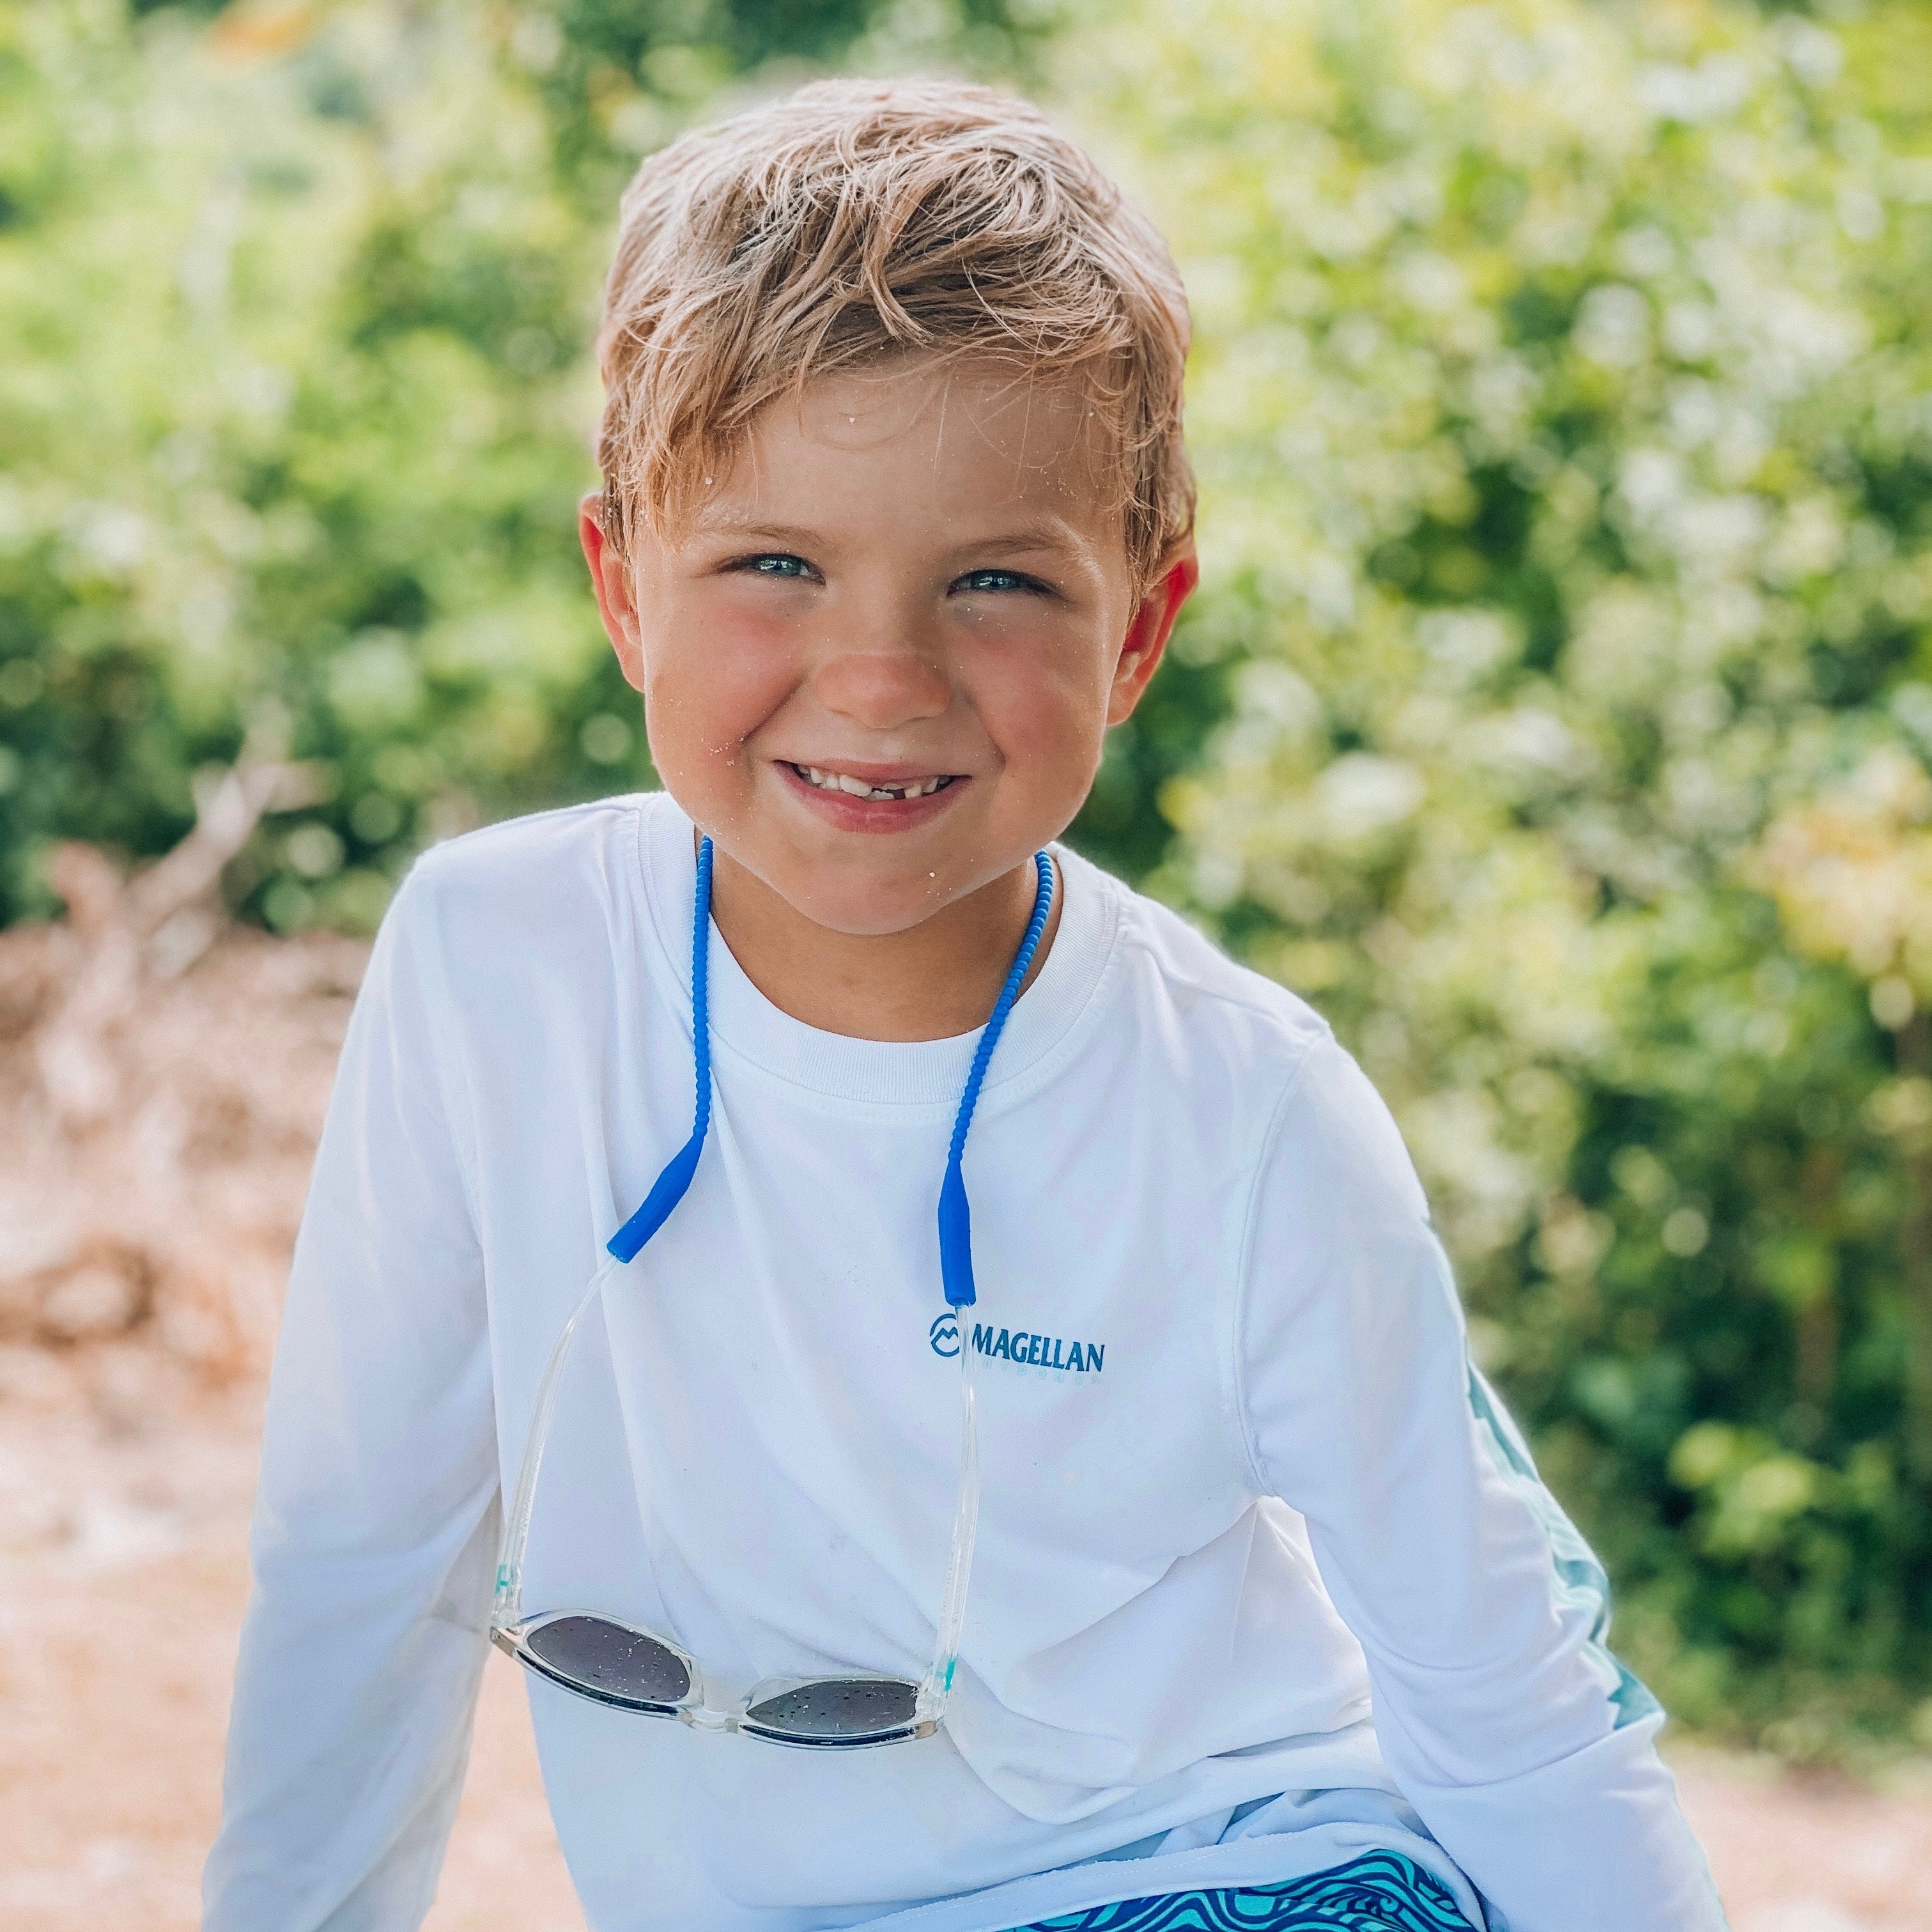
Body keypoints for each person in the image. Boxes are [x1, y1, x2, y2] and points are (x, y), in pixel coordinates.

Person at [203, 76, 1726, 1932]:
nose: (879, 679)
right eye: (775, 564)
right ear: (621, 586)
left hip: (1234, 1875)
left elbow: (1521, 1698)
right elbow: (369, 1553)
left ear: (1140, 635)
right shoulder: (494, 959)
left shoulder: (1240, 1107)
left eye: (995, 581)